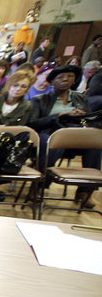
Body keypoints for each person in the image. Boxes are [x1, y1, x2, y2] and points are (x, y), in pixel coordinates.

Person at [29, 64, 101, 208]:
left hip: (76, 136)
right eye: (60, 77)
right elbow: (33, 124)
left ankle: (85, 191)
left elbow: (88, 120)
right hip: (49, 134)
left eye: (70, 77)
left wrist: (83, 117)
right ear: (52, 81)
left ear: (74, 81)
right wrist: (59, 116)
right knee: (53, 143)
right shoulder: (39, 99)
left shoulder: (80, 99)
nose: (65, 80)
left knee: (95, 145)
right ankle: (39, 185)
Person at [0, 70, 35, 200]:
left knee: (7, 144)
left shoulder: (26, 106)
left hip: (9, 144)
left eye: (23, 86)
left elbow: (21, 129)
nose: (18, 89)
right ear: (9, 85)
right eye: (15, 85)